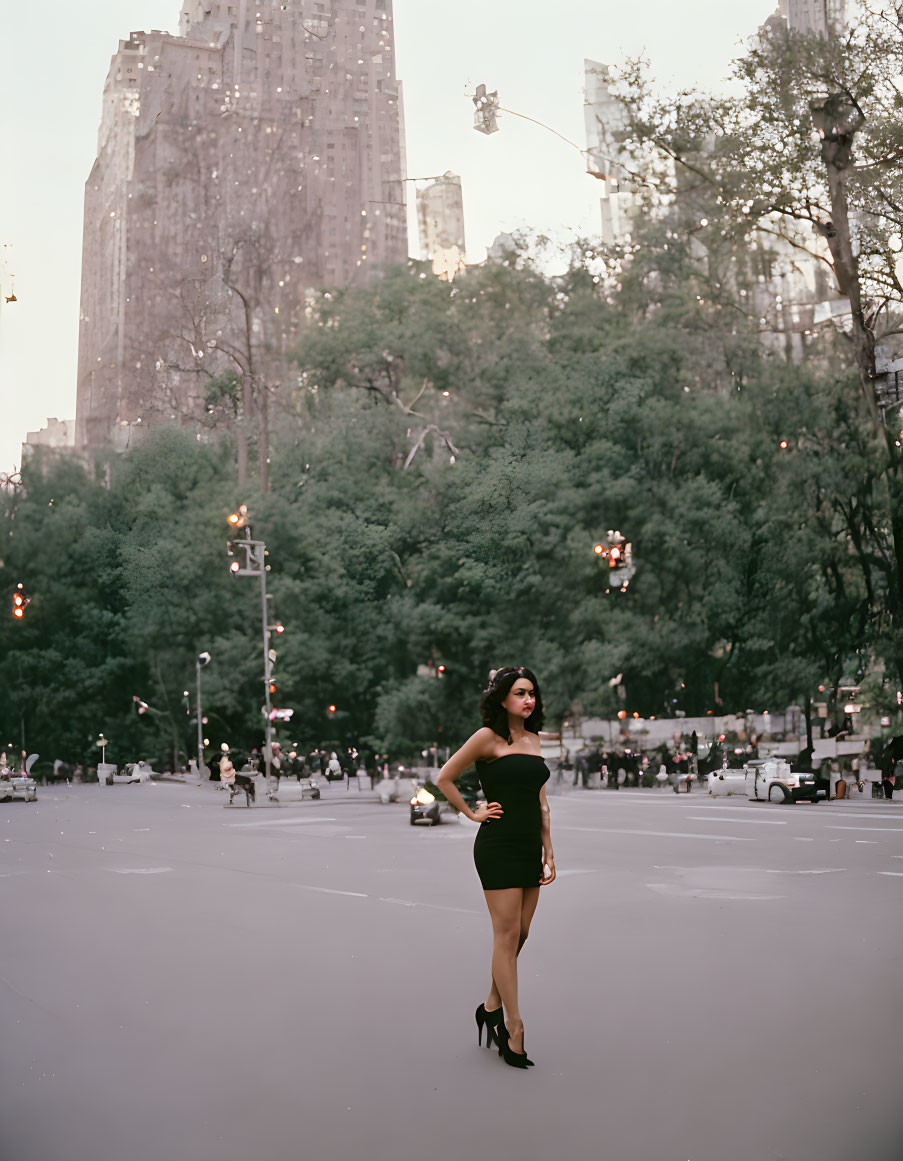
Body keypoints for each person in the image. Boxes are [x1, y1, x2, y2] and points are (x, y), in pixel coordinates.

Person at [436, 666, 556, 1071]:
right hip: (498, 844)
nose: (529, 700)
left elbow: (542, 803)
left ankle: (489, 1006)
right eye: (520, 693)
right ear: (502, 699)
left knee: (520, 933)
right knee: (505, 935)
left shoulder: (535, 740)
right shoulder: (487, 738)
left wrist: (550, 850)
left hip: (528, 846)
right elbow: (445, 777)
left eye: (532, 693)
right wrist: (472, 812)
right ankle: (513, 1026)